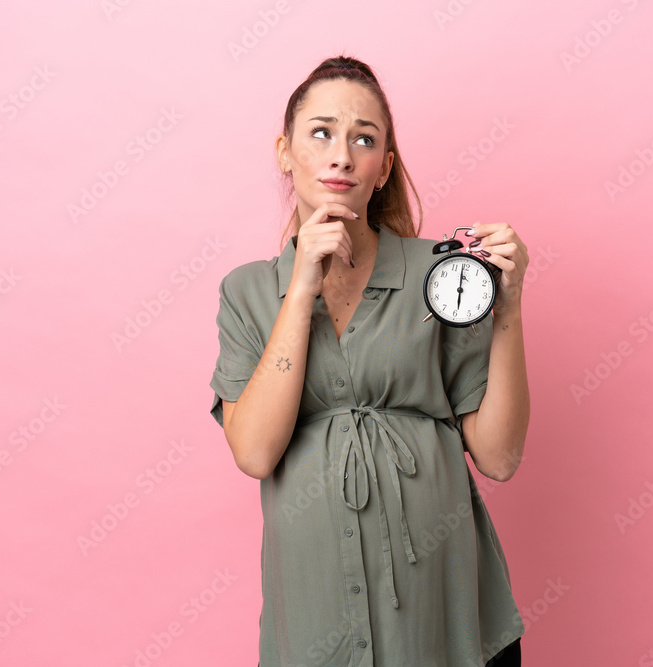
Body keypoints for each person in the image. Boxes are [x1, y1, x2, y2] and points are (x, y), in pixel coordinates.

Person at [209, 54, 531, 666]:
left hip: (444, 616)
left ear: (383, 168)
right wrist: (300, 286)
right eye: (321, 132)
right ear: (285, 151)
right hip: (315, 615)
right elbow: (253, 452)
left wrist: (509, 307)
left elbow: (500, 455)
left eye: (364, 139)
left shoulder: (438, 276)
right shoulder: (247, 292)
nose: (341, 155)